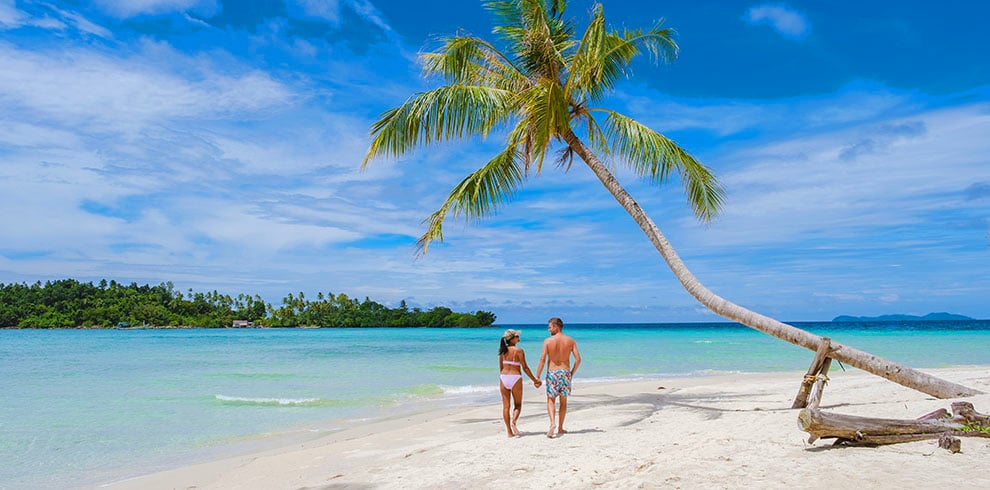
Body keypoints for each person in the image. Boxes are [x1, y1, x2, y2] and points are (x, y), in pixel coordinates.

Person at [536, 317, 581, 438]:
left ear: (556, 327)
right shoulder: (570, 341)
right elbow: (578, 359)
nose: (548, 330)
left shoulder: (547, 341)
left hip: (552, 372)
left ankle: (552, 423)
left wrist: (537, 376)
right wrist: (571, 373)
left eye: (550, 327)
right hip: (565, 372)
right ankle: (560, 427)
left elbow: (542, 359)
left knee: (551, 400)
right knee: (563, 401)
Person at [498, 329, 541, 437]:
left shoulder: (502, 351)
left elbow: (501, 368)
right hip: (515, 377)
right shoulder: (519, 351)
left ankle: (509, 432)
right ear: (512, 339)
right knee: (518, 404)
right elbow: (525, 367)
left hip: (504, 377)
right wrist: (535, 380)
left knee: (506, 406)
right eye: (517, 336)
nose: (519, 338)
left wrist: (504, 377)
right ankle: (514, 422)